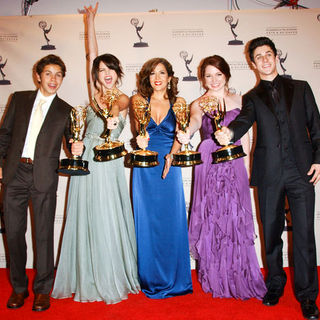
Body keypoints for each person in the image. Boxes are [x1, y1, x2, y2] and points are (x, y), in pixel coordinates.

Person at [215, 37, 320, 320]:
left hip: (301, 172)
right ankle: (275, 284)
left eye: (268, 54)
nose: (264, 59)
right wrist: (229, 133)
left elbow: (317, 127)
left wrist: (319, 159)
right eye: (258, 56)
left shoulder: (301, 88)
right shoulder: (251, 97)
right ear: (252, 63)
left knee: (305, 235)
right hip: (270, 173)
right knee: (271, 233)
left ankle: (308, 296)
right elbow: (243, 120)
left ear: (276, 56)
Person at [51, 2, 140, 304]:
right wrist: (90, 21)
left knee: (108, 215)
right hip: (87, 157)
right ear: (96, 76)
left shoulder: (124, 97)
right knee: (88, 216)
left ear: (118, 72)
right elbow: (92, 53)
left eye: (110, 69)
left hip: (110, 159)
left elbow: (118, 108)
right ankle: (86, 274)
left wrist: (111, 114)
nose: (105, 73)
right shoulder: (92, 97)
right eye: (100, 71)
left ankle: (111, 272)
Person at [176, 55, 267, 300]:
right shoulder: (198, 103)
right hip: (209, 163)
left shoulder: (241, 100)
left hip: (235, 161)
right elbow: (194, 122)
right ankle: (215, 276)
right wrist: (185, 133)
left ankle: (239, 274)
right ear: (202, 79)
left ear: (226, 74)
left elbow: (246, 137)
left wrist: (247, 168)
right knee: (213, 217)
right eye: (208, 75)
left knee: (235, 218)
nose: (214, 80)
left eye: (218, 74)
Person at [0, 54, 79, 311]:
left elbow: (72, 144)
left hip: (44, 176)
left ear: (62, 79)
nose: (53, 79)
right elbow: (4, 135)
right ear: (38, 76)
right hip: (15, 174)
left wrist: (77, 146)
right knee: (13, 234)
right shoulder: (19, 99)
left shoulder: (66, 110)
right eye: (48, 73)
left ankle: (43, 290)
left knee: (44, 235)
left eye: (58, 74)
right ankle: (19, 289)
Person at [131, 57, 193, 299]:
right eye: (152, 73)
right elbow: (138, 132)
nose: (157, 77)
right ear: (147, 78)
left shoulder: (179, 102)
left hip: (170, 163)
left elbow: (181, 133)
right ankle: (149, 277)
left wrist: (172, 156)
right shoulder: (138, 101)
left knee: (171, 220)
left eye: (162, 73)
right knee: (146, 221)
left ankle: (175, 278)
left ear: (169, 77)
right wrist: (139, 140)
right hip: (146, 166)